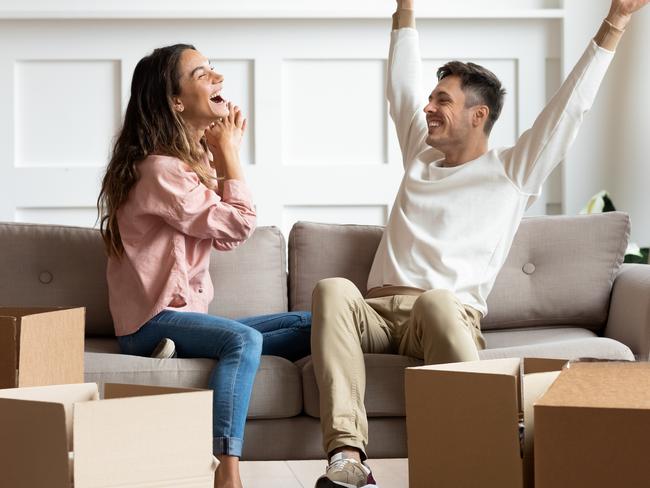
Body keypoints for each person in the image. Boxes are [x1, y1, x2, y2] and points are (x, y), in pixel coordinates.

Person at [311, 0, 649, 486]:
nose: (428, 107)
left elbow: (570, 109)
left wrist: (615, 21)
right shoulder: (419, 154)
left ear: (478, 114)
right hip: (376, 314)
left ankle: (484, 442)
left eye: (442, 100)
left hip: (444, 316)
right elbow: (401, 83)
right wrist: (405, 7)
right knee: (331, 289)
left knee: (437, 302)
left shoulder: (513, 170)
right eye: (431, 99)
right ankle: (347, 459)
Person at [97, 44, 311, 488]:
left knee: (313, 322)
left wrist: (217, 148)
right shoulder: (161, 170)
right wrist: (230, 150)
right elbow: (237, 227)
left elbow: (225, 234)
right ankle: (227, 469)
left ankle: (206, 350)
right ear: (175, 100)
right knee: (243, 339)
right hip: (151, 323)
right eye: (201, 74)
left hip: (186, 319)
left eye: (214, 70)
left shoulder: (187, 166)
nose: (218, 80)